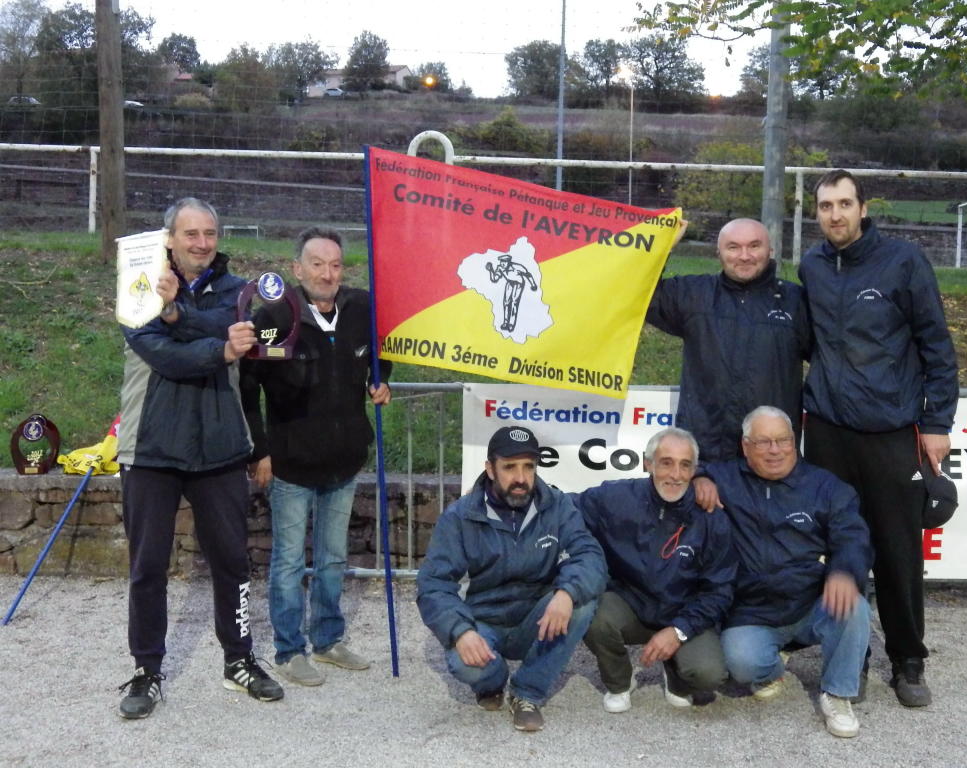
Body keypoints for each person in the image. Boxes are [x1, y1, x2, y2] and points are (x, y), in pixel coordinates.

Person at [116, 198, 283, 719]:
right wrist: (218, 347)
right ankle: (147, 669)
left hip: (217, 447)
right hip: (151, 449)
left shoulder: (236, 290)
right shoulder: (137, 280)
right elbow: (161, 353)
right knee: (147, 566)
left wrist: (176, 315)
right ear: (169, 238)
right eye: (191, 234)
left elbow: (229, 325)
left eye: (209, 233)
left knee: (233, 562)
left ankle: (239, 659)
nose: (202, 243)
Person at [800, 170, 959, 707]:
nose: (835, 214)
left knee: (897, 551)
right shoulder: (813, 265)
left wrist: (936, 425)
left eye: (845, 203)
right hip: (827, 432)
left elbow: (936, 344)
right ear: (816, 212)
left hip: (892, 432)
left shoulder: (903, 260)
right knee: (841, 549)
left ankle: (908, 660)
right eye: (825, 206)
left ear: (863, 208)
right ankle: (853, 656)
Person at [240, 227, 391, 687]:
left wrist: (379, 380)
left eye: (336, 264)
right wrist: (259, 451)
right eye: (318, 264)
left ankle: (328, 640)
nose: (328, 273)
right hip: (291, 464)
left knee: (331, 557)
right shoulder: (273, 317)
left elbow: (381, 355)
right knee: (288, 560)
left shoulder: (362, 307)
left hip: (344, 461)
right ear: (297, 269)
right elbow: (248, 388)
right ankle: (289, 651)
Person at [416, 426, 607, 732]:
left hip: (537, 621)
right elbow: (433, 584)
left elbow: (591, 557)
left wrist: (566, 593)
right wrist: (461, 631)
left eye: (528, 466)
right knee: (464, 663)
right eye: (509, 467)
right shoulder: (461, 516)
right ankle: (491, 683)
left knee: (583, 601)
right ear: (490, 469)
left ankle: (527, 693)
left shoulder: (556, 505)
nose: (521, 477)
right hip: (485, 620)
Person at [705, 406, 872, 739]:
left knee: (855, 605)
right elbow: (680, 466)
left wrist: (844, 573)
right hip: (752, 610)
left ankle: (837, 694)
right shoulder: (724, 478)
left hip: (811, 603)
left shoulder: (825, 486)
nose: (775, 450)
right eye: (764, 442)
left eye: (783, 440)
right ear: (746, 446)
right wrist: (699, 479)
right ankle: (772, 666)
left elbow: (854, 537)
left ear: (794, 442)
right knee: (741, 664)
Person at [576, 427, 736, 713]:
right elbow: (563, 507)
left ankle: (677, 676)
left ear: (694, 471)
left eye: (684, 465)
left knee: (709, 674)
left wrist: (679, 630)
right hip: (631, 604)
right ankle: (620, 683)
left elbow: (720, 590)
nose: (675, 474)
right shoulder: (616, 498)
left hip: (685, 613)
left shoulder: (711, 517)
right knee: (589, 612)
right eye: (666, 462)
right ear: (647, 463)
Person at [645, 217, 810, 467]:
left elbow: (830, 358)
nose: (744, 256)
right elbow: (639, 293)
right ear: (719, 252)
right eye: (733, 247)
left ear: (771, 250)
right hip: (706, 453)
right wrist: (662, 247)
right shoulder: (694, 295)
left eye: (754, 246)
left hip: (769, 455)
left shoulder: (797, 302)